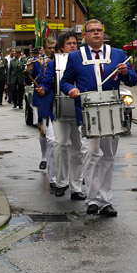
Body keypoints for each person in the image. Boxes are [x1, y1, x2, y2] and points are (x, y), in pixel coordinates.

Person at [60, 18, 137, 217]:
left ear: (103, 33)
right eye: (92, 30)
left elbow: (133, 80)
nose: (96, 33)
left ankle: (105, 201)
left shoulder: (117, 54)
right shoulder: (76, 57)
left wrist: (125, 72)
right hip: (87, 113)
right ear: (85, 35)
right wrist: (71, 90)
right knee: (90, 154)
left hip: (111, 113)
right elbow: (65, 82)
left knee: (108, 157)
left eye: (99, 30)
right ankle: (92, 198)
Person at [45, 32, 85, 199]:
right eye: (69, 43)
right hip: (60, 111)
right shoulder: (54, 64)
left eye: (75, 43)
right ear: (61, 47)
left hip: (78, 111)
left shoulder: (83, 61)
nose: (72, 46)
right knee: (61, 145)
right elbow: (47, 82)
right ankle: (61, 182)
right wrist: (42, 89)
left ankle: (76, 187)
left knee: (78, 149)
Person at [30, 40, 58, 183]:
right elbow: (36, 79)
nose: (52, 50)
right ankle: (44, 157)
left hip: (58, 102)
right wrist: (40, 67)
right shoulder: (41, 62)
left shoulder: (60, 61)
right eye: (49, 48)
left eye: (54, 48)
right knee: (43, 131)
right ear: (44, 49)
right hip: (43, 100)